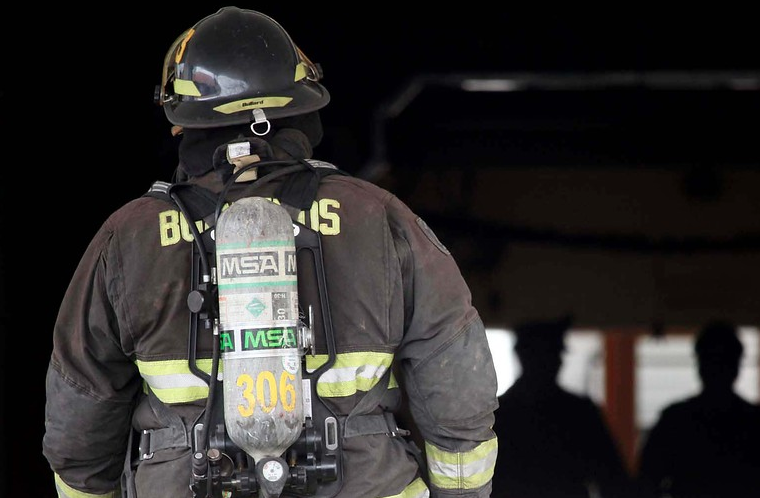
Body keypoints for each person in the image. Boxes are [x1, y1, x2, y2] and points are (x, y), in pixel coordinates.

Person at [41, 7, 499, 498]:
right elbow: (457, 388)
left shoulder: (129, 238)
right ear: (299, 108)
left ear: (182, 124)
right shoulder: (379, 218)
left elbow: (81, 420)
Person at [491, 315, 634, 498]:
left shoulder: (498, 415)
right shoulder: (579, 414)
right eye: (549, 354)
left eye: (553, 354)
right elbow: (614, 482)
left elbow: (614, 482)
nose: (555, 362)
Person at [635, 320, 760, 498]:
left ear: (700, 365)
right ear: (737, 366)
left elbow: (646, 482)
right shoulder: (753, 423)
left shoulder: (676, 421)